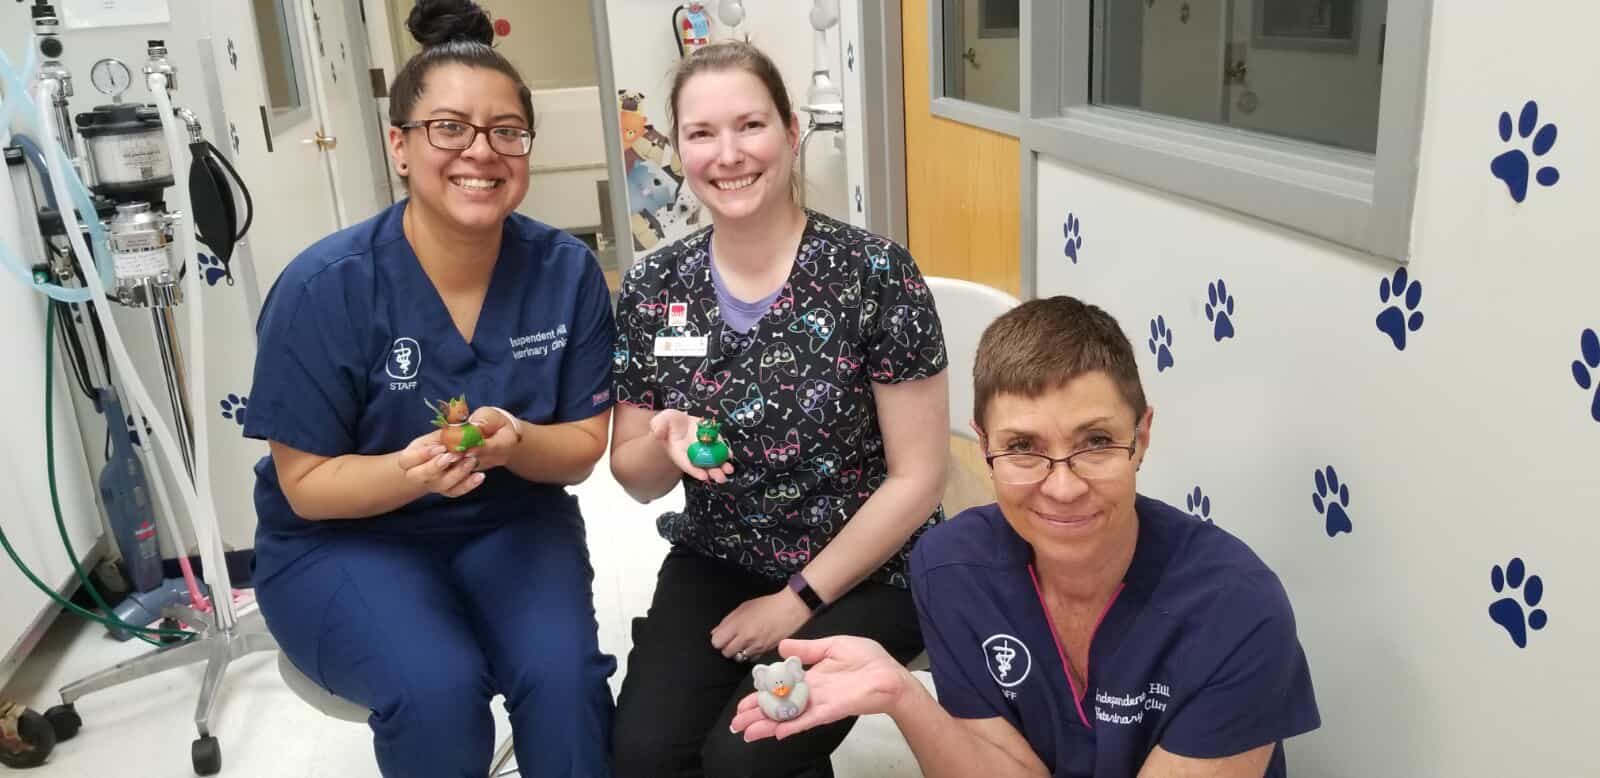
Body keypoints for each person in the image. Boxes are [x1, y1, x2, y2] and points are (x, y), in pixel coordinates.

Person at [242, 2, 617, 775]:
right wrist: (409, 472)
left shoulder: (565, 271)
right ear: (400, 146)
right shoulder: (326, 287)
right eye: (449, 127)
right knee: (436, 687)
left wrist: (513, 442)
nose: (481, 151)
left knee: (564, 682)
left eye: (506, 131)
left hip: (509, 523)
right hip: (343, 540)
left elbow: (580, 450)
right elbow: (306, 484)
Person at [731, 296, 1322, 777]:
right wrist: (902, 695)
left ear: (1142, 437)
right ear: (984, 443)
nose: (1061, 488)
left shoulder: (1236, 609)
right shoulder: (949, 570)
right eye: (1022, 448)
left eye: (1095, 442)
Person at [607, 41, 951, 778]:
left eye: (750, 126)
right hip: (720, 553)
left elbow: (918, 478)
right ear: (681, 149)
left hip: (868, 568)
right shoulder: (655, 286)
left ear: (792, 133)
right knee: (641, 756)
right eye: (701, 134)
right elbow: (633, 478)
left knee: (741, 760)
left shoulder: (874, 275)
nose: (728, 155)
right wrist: (662, 440)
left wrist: (796, 600)